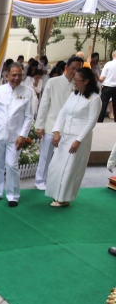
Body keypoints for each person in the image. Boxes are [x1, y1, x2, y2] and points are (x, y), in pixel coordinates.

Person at [45, 68, 101, 207]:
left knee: (69, 169)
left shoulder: (95, 99)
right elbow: (63, 113)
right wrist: (57, 131)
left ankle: (64, 198)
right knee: (56, 166)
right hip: (66, 136)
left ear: (86, 81)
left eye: (77, 80)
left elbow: (91, 122)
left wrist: (78, 140)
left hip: (79, 138)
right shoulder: (74, 95)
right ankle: (56, 194)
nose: (74, 82)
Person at [0, 62, 33, 207]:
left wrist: (23, 135)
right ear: (7, 76)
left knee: (12, 165)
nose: (17, 78)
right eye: (14, 75)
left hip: (15, 136)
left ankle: (13, 195)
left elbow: (29, 116)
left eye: (20, 75)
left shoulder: (28, 91)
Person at [35, 56, 83, 190]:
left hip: (69, 128)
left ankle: (56, 180)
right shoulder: (53, 82)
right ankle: (40, 180)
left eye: (79, 69)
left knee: (63, 157)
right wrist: (40, 125)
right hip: (51, 125)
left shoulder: (79, 85)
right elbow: (44, 104)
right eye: (73, 68)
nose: (75, 72)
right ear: (66, 68)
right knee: (46, 155)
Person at [98, 50, 116, 123]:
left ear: (113, 55)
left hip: (107, 87)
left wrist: (97, 77)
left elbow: (102, 78)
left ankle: (100, 121)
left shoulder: (108, 64)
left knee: (103, 106)